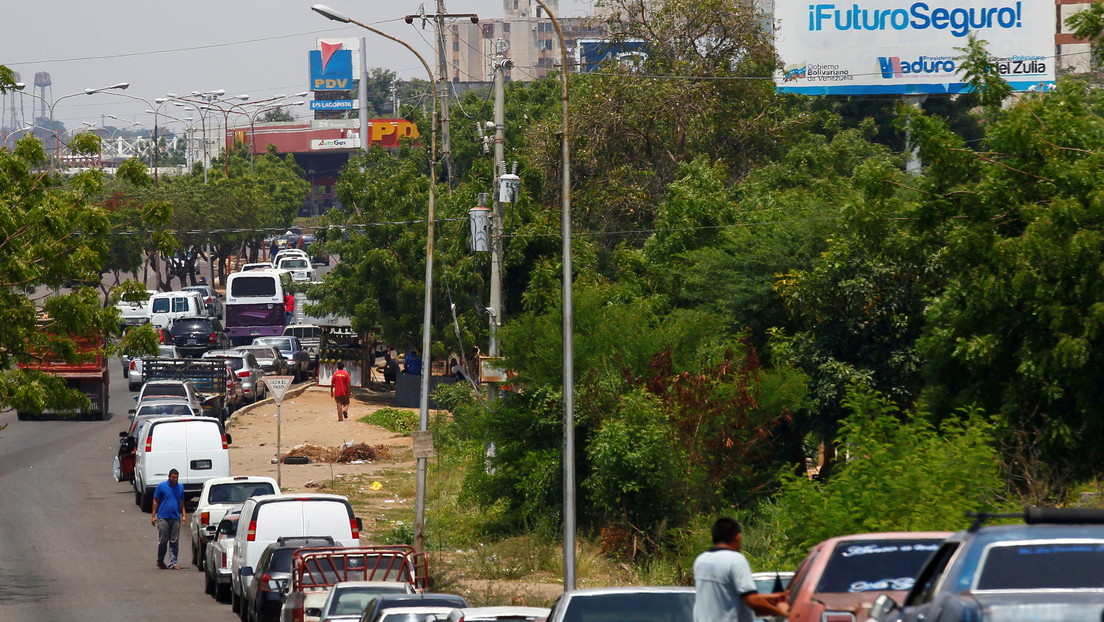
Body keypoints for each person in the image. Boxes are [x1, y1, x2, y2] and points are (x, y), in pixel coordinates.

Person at [693, 517, 788, 622]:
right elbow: (752, 601)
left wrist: (769, 597)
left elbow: (727, 596)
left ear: (712, 538)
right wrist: (781, 612)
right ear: (737, 537)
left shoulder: (701, 560)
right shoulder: (735, 560)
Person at [151, 468, 187, 570]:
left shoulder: (180, 487)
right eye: (173, 477)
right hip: (163, 518)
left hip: (175, 518)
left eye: (177, 478)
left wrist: (184, 515)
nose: (175, 479)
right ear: (169, 477)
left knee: (174, 541)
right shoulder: (162, 486)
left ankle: (173, 563)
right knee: (163, 540)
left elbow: (181, 502)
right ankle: (160, 561)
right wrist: (153, 516)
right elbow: (155, 501)